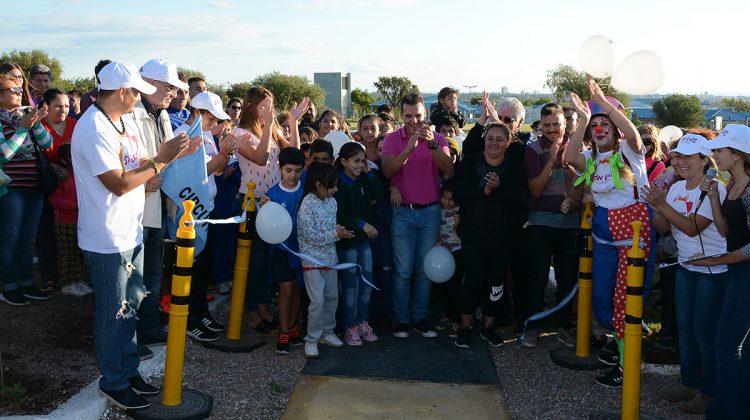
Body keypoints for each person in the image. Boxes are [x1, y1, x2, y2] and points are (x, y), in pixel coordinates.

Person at [71, 60, 189, 409]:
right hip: (106, 236)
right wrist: (158, 162)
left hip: (129, 230)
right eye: (137, 91)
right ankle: (114, 380)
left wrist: (167, 159)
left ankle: (128, 369)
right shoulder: (94, 128)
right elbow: (119, 182)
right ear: (122, 92)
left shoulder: (119, 121)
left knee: (130, 308)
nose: (140, 97)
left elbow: (139, 169)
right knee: (113, 312)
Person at [565, 77, 656, 388]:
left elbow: (631, 132)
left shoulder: (631, 152)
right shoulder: (592, 158)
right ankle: (621, 344)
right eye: (596, 126)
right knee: (602, 302)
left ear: (615, 128)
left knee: (623, 303)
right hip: (604, 231)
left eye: (605, 124)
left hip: (633, 233)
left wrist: (603, 104)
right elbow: (570, 157)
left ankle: (626, 364)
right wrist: (584, 119)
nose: (599, 130)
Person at [643, 134, 729, 415]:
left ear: (706, 161)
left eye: (688, 157)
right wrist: (657, 208)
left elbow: (693, 228)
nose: (679, 161)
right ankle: (689, 382)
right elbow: (664, 227)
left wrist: (663, 205)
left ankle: (708, 392)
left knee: (705, 334)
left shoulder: (715, 188)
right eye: (678, 156)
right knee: (686, 331)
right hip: (686, 268)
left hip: (713, 270)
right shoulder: (677, 188)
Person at [233, 86, 307, 333]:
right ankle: (252, 313)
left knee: (266, 262)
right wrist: (267, 128)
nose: (269, 110)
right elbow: (261, 158)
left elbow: (292, 155)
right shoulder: (239, 133)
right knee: (254, 261)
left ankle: (262, 306)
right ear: (252, 106)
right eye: (264, 105)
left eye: (271, 105)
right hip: (251, 202)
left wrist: (293, 122)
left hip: (273, 204)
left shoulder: (272, 129)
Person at [381, 93, 453, 338]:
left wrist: (431, 145)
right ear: (402, 116)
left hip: (431, 212)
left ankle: (420, 317)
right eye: (409, 115)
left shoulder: (439, 138)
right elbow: (388, 170)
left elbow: (448, 168)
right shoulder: (392, 139)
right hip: (403, 213)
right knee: (403, 270)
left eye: (418, 115)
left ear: (426, 116)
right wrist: (409, 148)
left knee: (424, 269)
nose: (413, 121)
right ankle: (401, 319)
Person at [691, 124, 750, 419]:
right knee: (733, 346)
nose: (714, 156)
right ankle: (726, 408)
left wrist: (714, 261)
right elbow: (727, 230)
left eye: (719, 150)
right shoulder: (731, 186)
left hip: (745, 274)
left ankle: (730, 412)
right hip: (736, 271)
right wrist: (714, 198)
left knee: (729, 345)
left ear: (738, 154)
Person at [453, 122, 528, 348]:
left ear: (507, 143)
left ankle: (488, 327)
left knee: (496, 283)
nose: (494, 142)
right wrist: (482, 191)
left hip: (503, 238)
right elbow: (458, 195)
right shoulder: (469, 163)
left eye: (499, 139)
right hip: (473, 235)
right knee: (472, 281)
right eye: (490, 138)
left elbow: (522, 201)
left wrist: (500, 187)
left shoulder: (514, 167)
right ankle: (465, 327)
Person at [131, 58, 189, 349]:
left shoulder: (162, 115)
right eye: (168, 86)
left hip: (156, 205)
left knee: (152, 273)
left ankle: (149, 326)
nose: (173, 93)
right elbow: (127, 160)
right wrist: (144, 180)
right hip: (135, 207)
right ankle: (131, 335)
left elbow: (165, 155)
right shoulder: (130, 114)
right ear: (150, 84)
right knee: (132, 276)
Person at [173, 91, 238, 341]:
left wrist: (226, 153)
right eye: (212, 117)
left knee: (203, 266)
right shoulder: (184, 136)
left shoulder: (208, 135)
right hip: (190, 211)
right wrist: (224, 154)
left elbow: (217, 172)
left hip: (206, 208)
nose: (216, 123)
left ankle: (200, 311)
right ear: (199, 113)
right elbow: (198, 172)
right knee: (191, 267)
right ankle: (189, 317)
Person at [518, 103, 582, 348]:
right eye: (547, 125)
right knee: (536, 277)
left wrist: (568, 170)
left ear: (565, 124)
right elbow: (534, 189)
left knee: (567, 279)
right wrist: (552, 159)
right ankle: (533, 325)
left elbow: (580, 185)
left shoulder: (578, 149)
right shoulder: (533, 150)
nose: (552, 129)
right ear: (540, 126)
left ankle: (564, 326)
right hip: (540, 223)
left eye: (556, 124)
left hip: (569, 225)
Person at [0, 72, 53, 305]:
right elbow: (3, 155)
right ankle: (8, 286)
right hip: (11, 190)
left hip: (34, 187)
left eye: (19, 89)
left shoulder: (24, 115)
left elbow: (47, 145)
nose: (19, 92)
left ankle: (26, 282)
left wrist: (37, 122)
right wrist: (22, 129)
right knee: (9, 239)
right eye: (13, 90)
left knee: (27, 239)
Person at [297, 162, 354, 358]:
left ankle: (328, 332)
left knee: (332, 298)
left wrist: (340, 232)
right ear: (319, 185)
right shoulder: (307, 204)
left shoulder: (332, 202)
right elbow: (310, 235)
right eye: (332, 186)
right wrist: (335, 234)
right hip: (312, 262)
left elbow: (330, 228)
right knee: (317, 301)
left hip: (331, 259)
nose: (335, 189)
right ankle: (312, 339)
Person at [334, 142, 384, 345]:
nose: (360, 165)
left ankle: (363, 321)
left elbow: (379, 194)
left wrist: (369, 173)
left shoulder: (363, 179)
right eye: (356, 161)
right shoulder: (338, 184)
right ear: (344, 161)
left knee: (366, 282)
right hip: (348, 241)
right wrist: (362, 224)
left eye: (363, 161)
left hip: (363, 241)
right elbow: (339, 214)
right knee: (350, 286)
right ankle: (349, 326)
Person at [265, 147, 306, 354]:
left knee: (298, 288)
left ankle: (291, 327)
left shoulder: (306, 189)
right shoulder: (272, 194)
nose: (293, 175)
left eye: (297, 171)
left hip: (302, 248)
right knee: (286, 289)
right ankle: (282, 331)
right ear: (280, 169)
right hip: (281, 249)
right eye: (288, 170)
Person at [39, 88, 78, 291]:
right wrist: (52, 166)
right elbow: (36, 153)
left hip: (72, 186)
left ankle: (74, 277)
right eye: (57, 106)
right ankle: (49, 277)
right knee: (46, 230)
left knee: (70, 235)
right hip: (46, 184)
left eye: (66, 106)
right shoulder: (40, 125)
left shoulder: (74, 124)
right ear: (46, 106)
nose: (63, 110)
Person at [48, 144, 90, 297]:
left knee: (78, 253)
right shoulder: (61, 176)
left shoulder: (83, 174)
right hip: (64, 221)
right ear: (64, 161)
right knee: (67, 253)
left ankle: (78, 281)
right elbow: (53, 199)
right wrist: (76, 205)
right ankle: (68, 283)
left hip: (81, 221)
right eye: (72, 156)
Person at [462, 92, 528, 160]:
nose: (501, 122)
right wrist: (483, 117)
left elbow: (518, 151)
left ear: (520, 122)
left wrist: (499, 124)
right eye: (499, 118)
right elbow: (467, 149)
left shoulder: (526, 140)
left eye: (507, 119)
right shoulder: (489, 139)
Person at [435, 179, 462, 337]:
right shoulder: (437, 210)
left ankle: (458, 320)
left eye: (450, 199)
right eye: (444, 197)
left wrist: (460, 224)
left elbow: (462, 235)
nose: (446, 202)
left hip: (457, 251)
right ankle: (447, 315)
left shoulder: (460, 212)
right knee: (442, 286)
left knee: (455, 287)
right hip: (441, 253)